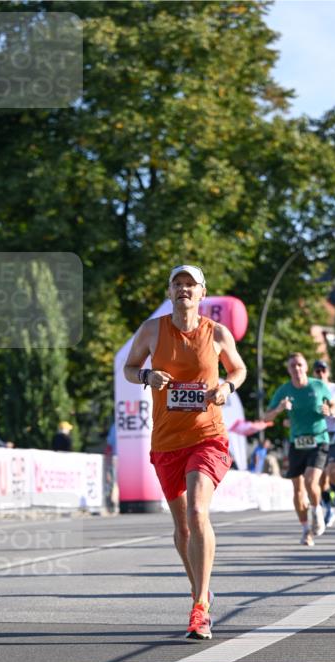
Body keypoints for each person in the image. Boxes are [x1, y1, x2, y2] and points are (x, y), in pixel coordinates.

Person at [123, 264, 246, 639]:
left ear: (202, 293)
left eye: (190, 285)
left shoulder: (218, 333)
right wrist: (146, 376)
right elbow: (129, 368)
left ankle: (199, 608)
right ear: (170, 291)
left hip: (207, 435)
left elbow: (238, 370)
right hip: (166, 440)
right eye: (178, 284)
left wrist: (227, 387)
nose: (184, 290)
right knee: (181, 526)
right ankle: (201, 590)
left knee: (197, 511)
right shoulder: (151, 330)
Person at [263, 352, 332, 547]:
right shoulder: (284, 390)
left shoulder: (318, 386)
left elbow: (334, 406)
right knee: (298, 490)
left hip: (319, 440)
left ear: (306, 367)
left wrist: (330, 410)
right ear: (288, 369)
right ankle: (305, 529)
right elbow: (266, 418)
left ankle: (317, 510)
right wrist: (279, 409)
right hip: (297, 443)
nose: (297, 368)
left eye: (300, 365)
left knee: (311, 482)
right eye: (293, 365)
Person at [312, 359, 335, 526]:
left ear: (328, 372)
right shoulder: (311, 389)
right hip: (318, 436)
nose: (320, 373)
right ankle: (328, 508)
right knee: (321, 478)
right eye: (317, 370)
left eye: (323, 370)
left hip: (334, 435)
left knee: (333, 471)